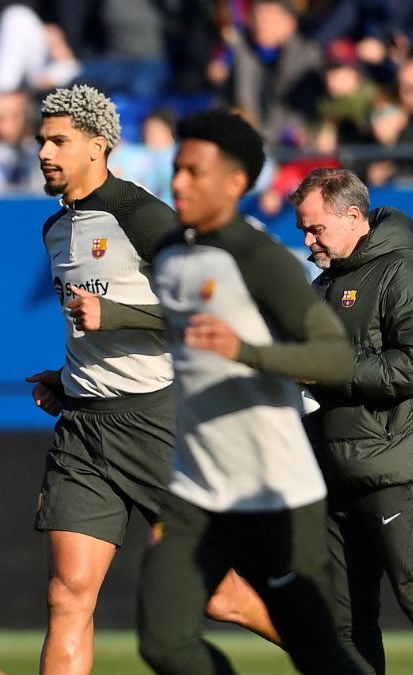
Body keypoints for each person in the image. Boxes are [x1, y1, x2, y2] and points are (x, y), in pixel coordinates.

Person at [27, 85, 278, 675]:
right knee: (67, 596)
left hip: (157, 423)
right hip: (84, 430)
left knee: (219, 596)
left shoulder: (143, 216)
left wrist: (113, 315)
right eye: (41, 140)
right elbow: (94, 330)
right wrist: (68, 381)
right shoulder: (54, 228)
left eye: (58, 140)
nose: (44, 151)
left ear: (99, 146)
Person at [137, 108, 364, 675]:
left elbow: (335, 357)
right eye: (177, 169)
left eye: (194, 171)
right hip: (197, 489)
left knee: (317, 651)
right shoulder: (168, 254)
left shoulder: (260, 259)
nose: (179, 183)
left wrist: (247, 352)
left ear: (236, 183)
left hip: (277, 490)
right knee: (164, 644)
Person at [293, 167, 413, 673]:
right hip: (334, 473)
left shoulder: (405, 273)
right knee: (345, 626)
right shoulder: (324, 283)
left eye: (315, 229)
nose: (307, 241)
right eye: (303, 230)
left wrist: (325, 372)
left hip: (400, 471)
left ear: (354, 217)